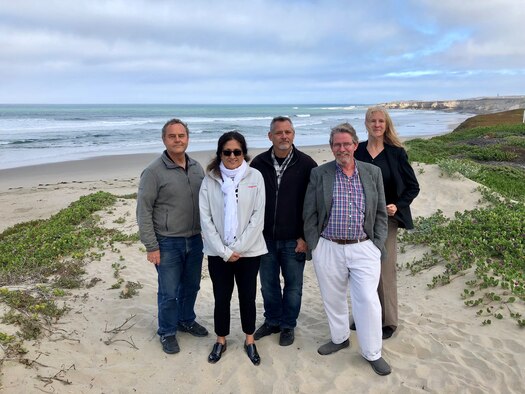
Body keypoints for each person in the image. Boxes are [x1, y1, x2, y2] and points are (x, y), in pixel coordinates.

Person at [303, 122, 391, 376]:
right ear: (331, 148)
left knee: (367, 299)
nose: (342, 148)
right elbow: (309, 213)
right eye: (337, 144)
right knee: (333, 298)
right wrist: (316, 246)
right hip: (328, 246)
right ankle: (340, 338)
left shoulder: (372, 172)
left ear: (355, 145)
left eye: (346, 143)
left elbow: (380, 212)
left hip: (364, 247)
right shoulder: (320, 174)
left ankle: (373, 352)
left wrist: (376, 245)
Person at [136, 118, 208, 355]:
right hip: (168, 243)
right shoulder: (153, 171)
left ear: (187, 138)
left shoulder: (197, 168)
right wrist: (151, 246)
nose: (177, 140)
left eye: (181, 136)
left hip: (195, 240)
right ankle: (167, 332)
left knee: (191, 286)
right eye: (172, 136)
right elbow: (143, 210)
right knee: (168, 292)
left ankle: (185, 320)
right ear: (164, 139)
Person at [199, 131, 267, 366]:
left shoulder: (255, 177)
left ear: (243, 153)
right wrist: (225, 251)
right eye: (227, 152)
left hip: (249, 252)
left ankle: (250, 340)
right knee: (221, 298)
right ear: (220, 153)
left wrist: (238, 247)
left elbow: (258, 217)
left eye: (237, 151)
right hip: (218, 253)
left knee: (247, 297)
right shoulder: (209, 179)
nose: (232, 156)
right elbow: (205, 219)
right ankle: (221, 339)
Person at [250, 116, 317, 346]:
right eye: (279, 132)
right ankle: (272, 321)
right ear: (270, 136)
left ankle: (288, 325)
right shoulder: (258, 164)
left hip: (294, 239)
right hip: (264, 238)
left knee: (293, 286)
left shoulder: (307, 164)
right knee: (268, 284)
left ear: (294, 135)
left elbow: (314, 205)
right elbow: (249, 202)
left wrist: (306, 237)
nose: (284, 136)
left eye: (288, 132)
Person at [354, 106, 420, 339]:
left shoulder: (396, 152)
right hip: (358, 219)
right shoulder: (357, 150)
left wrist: (398, 205)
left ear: (386, 124)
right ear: (366, 124)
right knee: (360, 268)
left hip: (387, 220)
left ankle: (388, 321)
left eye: (381, 121)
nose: (377, 125)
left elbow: (413, 186)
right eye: (373, 121)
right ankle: (363, 314)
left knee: (384, 268)